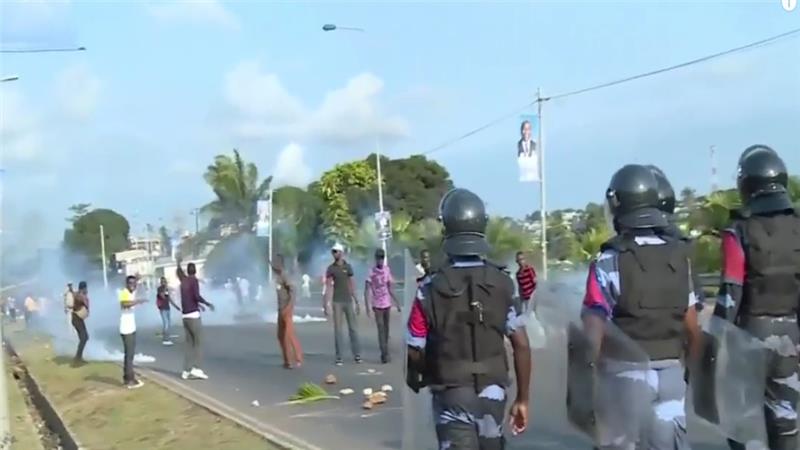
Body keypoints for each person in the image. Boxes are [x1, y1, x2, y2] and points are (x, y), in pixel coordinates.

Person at [581, 164, 700, 449]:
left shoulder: (607, 263)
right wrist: (687, 374)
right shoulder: (680, 259)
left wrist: (587, 387)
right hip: (671, 376)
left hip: (625, 378)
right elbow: (693, 329)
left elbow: (592, 336)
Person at [406, 188, 531, 449]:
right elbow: (521, 344)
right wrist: (522, 399)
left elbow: (415, 346)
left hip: (451, 391)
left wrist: (419, 374)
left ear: (446, 229)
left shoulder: (428, 287)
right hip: (494, 393)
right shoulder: (504, 283)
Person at [715, 145, 799, 450]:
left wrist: (713, 342)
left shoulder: (738, 231)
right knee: (786, 421)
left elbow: (729, 294)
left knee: (741, 421)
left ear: (746, 184)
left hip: (748, 336)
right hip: (791, 335)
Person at [324, 242, 362, 366]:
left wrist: (356, 300)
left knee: (353, 329)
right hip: (337, 301)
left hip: (348, 301)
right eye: (333, 252)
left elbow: (352, 284)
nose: (334, 254)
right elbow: (329, 286)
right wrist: (327, 303)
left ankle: (357, 354)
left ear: (341, 252)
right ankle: (339, 356)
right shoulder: (331, 268)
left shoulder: (348, 267)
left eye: (336, 251)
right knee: (338, 330)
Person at [177, 260, 215, 380]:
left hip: (185, 316)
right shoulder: (194, 281)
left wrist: (178, 263)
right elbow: (196, 296)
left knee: (189, 344)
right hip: (193, 316)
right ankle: (197, 368)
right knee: (198, 343)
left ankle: (186, 370)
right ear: (195, 271)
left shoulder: (184, 281)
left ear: (188, 271)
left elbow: (179, 273)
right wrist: (207, 304)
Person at [364, 248, 400, 364]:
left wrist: (397, 302)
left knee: (386, 328)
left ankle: (386, 350)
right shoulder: (371, 272)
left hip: (387, 303)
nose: (380, 260)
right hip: (376, 304)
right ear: (376, 259)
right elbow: (367, 289)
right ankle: (384, 354)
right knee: (380, 328)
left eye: (382, 258)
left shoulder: (386, 270)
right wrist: (367, 306)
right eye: (378, 258)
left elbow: (390, 288)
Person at [272, 254, 303, 369]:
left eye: (275, 263)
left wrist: (289, 307)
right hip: (281, 309)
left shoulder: (285, 276)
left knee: (289, 335)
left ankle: (298, 359)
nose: (272, 266)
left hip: (286, 309)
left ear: (280, 264)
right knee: (280, 335)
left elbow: (293, 291)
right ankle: (287, 361)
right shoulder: (278, 277)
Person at [119, 276, 147, 389]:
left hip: (131, 328)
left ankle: (129, 377)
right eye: (130, 283)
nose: (132, 285)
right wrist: (138, 301)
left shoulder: (131, 293)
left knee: (130, 355)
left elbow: (136, 286)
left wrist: (138, 278)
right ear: (126, 284)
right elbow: (124, 304)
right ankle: (129, 380)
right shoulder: (124, 292)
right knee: (129, 356)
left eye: (134, 283)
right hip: (126, 329)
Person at [156, 277, 181, 346]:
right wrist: (165, 289)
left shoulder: (166, 289)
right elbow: (163, 296)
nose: (164, 283)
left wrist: (176, 307)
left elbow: (168, 299)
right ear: (161, 282)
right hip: (162, 309)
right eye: (163, 282)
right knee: (166, 324)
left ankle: (166, 335)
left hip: (167, 308)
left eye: (165, 282)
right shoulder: (160, 289)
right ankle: (165, 339)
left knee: (169, 323)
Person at [70, 282, 90, 366]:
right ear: (83, 288)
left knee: (84, 337)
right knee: (84, 338)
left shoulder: (77, 294)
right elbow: (86, 303)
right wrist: (86, 299)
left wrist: (71, 288)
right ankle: (78, 358)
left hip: (77, 319)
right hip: (77, 319)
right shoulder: (81, 296)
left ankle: (78, 357)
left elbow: (73, 292)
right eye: (86, 288)